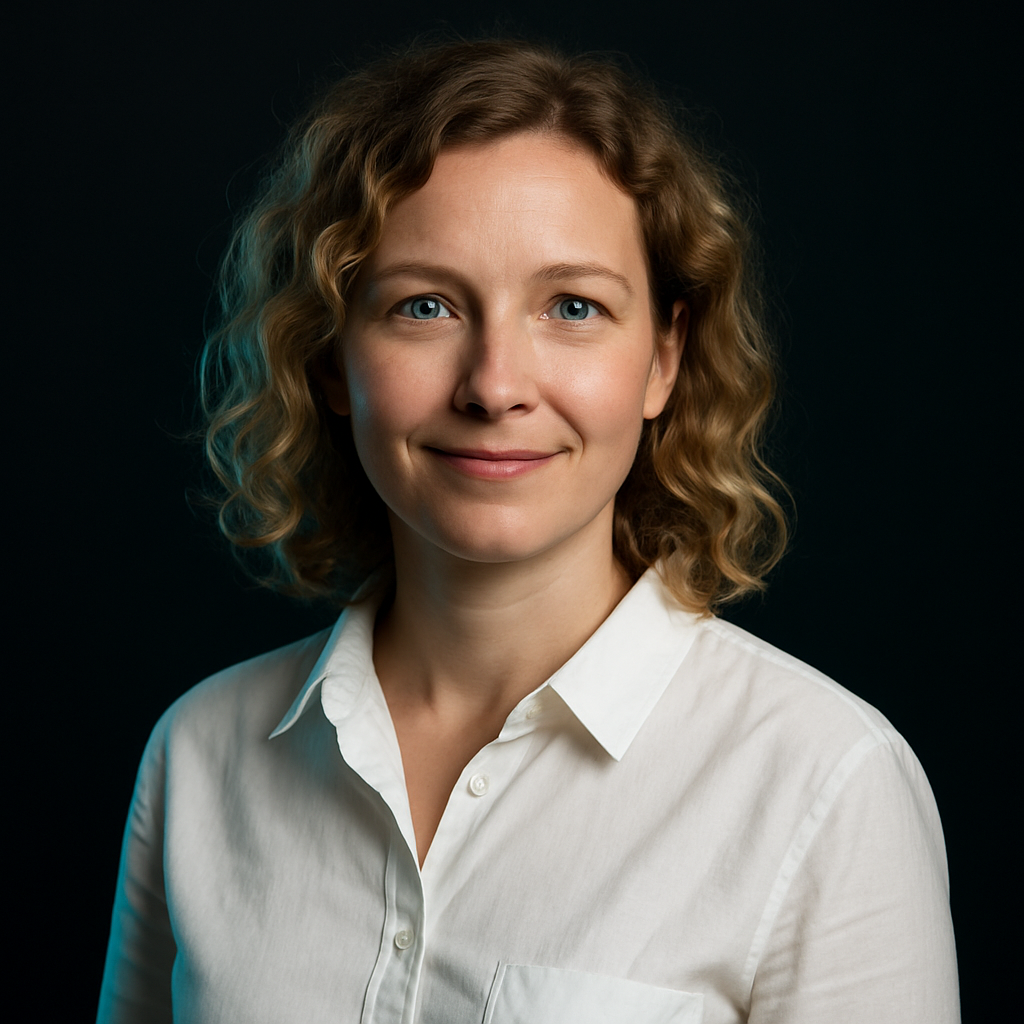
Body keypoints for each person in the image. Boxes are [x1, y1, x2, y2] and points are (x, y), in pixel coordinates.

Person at [97, 38, 959, 1023]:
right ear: (331, 356)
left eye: (573, 307)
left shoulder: (821, 781)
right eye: (423, 305)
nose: (496, 384)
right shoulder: (201, 752)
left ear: (662, 359)